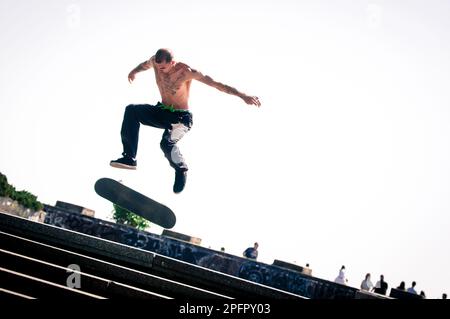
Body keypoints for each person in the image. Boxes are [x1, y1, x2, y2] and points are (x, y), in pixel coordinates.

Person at [110, 48, 261, 193]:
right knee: (132, 110)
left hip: (181, 118)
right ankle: (129, 158)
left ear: (172, 62)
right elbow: (144, 65)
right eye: (158, 66)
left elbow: (217, 84)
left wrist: (243, 95)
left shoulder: (187, 72)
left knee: (166, 143)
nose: (160, 70)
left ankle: (181, 168)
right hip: (162, 111)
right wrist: (134, 71)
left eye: (163, 67)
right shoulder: (154, 62)